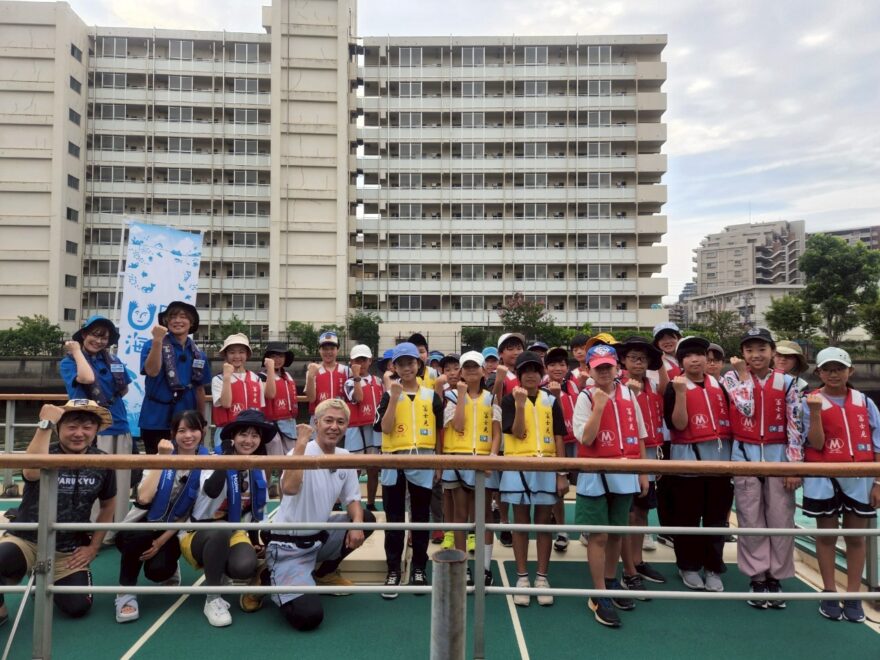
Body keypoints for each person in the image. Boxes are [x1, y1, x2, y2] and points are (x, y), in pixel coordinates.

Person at [0, 400, 116, 623]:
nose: (79, 433)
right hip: (27, 540)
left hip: (68, 549)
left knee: (78, 607)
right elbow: (32, 472)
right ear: (59, 428)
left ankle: (41, 582)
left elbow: (108, 505)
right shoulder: (44, 451)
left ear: (95, 431)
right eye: (71, 427)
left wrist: (93, 547)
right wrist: (45, 424)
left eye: (86, 427)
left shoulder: (103, 461)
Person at [267, 399, 376, 631]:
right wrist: (301, 443)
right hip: (289, 547)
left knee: (366, 518)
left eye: (340, 422)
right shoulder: (297, 452)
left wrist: (356, 523)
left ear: (347, 426)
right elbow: (289, 488)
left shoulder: (345, 456)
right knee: (309, 617)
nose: (334, 427)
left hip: (319, 538)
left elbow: (353, 500)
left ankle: (323, 573)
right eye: (328, 420)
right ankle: (268, 575)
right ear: (316, 423)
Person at [722, 328, 802, 607]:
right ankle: (757, 577)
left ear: (772, 352)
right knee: (750, 518)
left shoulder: (789, 383)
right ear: (743, 353)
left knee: (781, 518)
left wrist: (794, 466)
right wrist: (744, 377)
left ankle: (775, 576)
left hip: (779, 454)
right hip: (744, 454)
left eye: (761, 349)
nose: (755, 355)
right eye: (749, 350)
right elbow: (745, 408)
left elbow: (795, 425)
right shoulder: (731, 377)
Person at [572, 345, 649, 627]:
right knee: (599, 536)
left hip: (625, 472)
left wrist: (643, 472)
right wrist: (600, 406)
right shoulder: (584, 397)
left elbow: (639, 434)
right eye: (598, 367)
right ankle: (598, 594)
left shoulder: (630, 394)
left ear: (617, 367)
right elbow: (586, 438)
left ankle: (611, 580)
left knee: (617, 533)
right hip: (595, 474)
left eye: (608, 366)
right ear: (589, 370)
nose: (604, 371)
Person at [802, 347, 880, 623]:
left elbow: (877, 441)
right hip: (825, 476)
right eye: (827, 369)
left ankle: (853, 595)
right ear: (818, 372)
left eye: (839, 368)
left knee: (857, 538)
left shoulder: (865, 402)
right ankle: (829, 591)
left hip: (860, 476)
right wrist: (814, 413)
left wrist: (878, 482)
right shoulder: (810, 401)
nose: (834, 373)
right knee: (825, 536)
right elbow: (816, 443)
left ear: (850, 371)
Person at [113, 410, 210, 623]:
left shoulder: (208, 463)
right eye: (182, 430)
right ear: (173, 434)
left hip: (171, 532)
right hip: (141, 526)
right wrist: (162, 459)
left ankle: (169, 568)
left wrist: (159, 542)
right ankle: (125, 592)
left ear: (202, 432)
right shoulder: (160, 458)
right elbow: (145, 497)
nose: (188, 436)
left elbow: (189, 514)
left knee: (158, 571)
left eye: (193, 430)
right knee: (135, 538)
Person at [179, 409, 272, 627]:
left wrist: (256, 540)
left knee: (245, 567)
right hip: (198, 533)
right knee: (219, 531)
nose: (249, 441)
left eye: (255, 435)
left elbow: (253, 511)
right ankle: (212, 599)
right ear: (233, 437)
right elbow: (211, 490)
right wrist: (227, 461)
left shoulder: (255, 468)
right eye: (243, 434)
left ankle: (219, 570)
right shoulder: (213, 459)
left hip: (232, 531)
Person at [664, 336, 733, 592]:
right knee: (688, 519)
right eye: (689, 355)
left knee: (716, 520)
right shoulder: (674, 386)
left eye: (700, 354)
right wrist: (681, 394)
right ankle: (688, 565)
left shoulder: (719, 385)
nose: (695, 359)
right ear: (681, 361)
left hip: (720, 465)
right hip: (688, 465)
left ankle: (714, 567)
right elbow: (678, 425)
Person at [374, 342, 444, 598]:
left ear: (419, 364)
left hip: (423, 459)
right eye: (401, 363)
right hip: (394, 460)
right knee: (394, 520)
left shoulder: (430, 395)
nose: (406, 367)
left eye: (410, 362)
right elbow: (386, 427)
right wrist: (393, 397)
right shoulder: (389, 394)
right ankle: (393, 570)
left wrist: (439, 461)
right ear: (394, 366)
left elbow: (439, 431)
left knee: (420, 518)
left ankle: (418, 568)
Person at [499, 351, 568, 607]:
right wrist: (518, 405)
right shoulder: (508, 400)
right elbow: (516, 432)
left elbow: (559, 435)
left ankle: (542, 577)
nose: (530, 374)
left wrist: (561, 473)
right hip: (518, 465)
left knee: (543, 523)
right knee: (520, 523)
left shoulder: (551, 399)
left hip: (546, 465)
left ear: (541, 374)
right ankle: (522, 577)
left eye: (534, 370)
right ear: (518, 374)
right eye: (525, 370)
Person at [60, 316, 132, 531]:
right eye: (95, 334)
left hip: (119, 424)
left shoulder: (114, 361)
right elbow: (86, 378)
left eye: (105, 337)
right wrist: (76, 352)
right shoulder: (69, 362)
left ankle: (117, 529)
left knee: (120, 482)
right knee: (90, 481)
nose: (99, 341)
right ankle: (89, 529)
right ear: (84, 335)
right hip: (90, 429)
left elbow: (124, 388)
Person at [614, 337, 668, 590]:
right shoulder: (615, 386)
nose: (638, 362)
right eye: (633, 357)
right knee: (628, 512)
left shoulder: (654, 386)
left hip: (649, 453)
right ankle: (627, 568)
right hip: (625, 456)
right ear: (623, 360)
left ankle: (637, 559)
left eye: (643, 358)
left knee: (643, 511)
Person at [440, 351, 499, 586]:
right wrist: (462, 395)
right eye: (467, 367)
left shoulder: (491, 398)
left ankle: (484, 567)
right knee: (460, 516)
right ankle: (462, 565)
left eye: (476, 367)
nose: (471, 371)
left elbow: (496, 433)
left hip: (482, 463)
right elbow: (459, 424)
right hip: (457, 460)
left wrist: (492, 459)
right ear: (461, 372)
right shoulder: (452, 396)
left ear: (484, 371)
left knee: (483, 516)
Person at [140, 301, 211, 454]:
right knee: (156, 467)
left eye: (183, 317)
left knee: (186, 466)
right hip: (155, 419)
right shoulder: (151, 345)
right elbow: (152, 371)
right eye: (172, 317)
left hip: (187, 422)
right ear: (166, 322)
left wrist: (202, 422)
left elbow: (199, 389)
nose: (177, 320)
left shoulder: (199, 355)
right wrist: (158, 341)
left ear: (191, 323)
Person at [490, 333, 525, 547]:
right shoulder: (496, 375)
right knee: (503, 483)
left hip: (527, 436)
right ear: (501, 353)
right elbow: (491, 401)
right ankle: (504, 522)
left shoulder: (529, 372)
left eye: (518, 347)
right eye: (510, 348)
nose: (515, 352)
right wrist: (500, 380)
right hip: (504, 434)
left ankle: (521, 524)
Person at [543, 347, 580, 552]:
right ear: (546, 367)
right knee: (558, 489)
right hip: (555, 443)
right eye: (553, 364)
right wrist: (555, 397)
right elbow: (553, 420)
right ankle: (561, 530)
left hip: (575, 442)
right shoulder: (541, 388)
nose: (558, 368)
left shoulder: (575, 386)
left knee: (582, 486)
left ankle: (585, 529)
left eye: (562, 364)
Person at [342, 344, 383, 510]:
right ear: (351, 362)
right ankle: (354, 504)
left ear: (370, 360)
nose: (361, 363)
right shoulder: (349, 382)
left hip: (373, 428)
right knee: (355, 470)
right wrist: (357, 376)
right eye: (357, 360)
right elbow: (358, 398)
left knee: (373, 469)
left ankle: (371, 503)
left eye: (364, 360)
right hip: (356, 429)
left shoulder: (378, 381)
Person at [212, 333, 265, 451]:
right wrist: (227, 377)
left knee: (252, 466)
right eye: (232, 352)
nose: (237, 356)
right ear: (225, 355)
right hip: (226, 431)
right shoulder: (218, 379)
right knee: (225, 466)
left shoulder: (256, 378)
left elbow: (260, 408)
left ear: (247, 355)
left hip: (251, 433)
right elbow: (226, 403)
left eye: (241, 352)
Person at [434, 353, 462, 548]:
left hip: (466, 449)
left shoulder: (472, 392)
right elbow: (435, 422)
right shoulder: (440, 394)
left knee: (466, 496)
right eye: (447, 370)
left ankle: (468, 533)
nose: (452, 373)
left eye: (456, 368)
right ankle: (450, 532)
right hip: (446, 448)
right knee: (448, 495)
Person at [305, 331, 350, 424]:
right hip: (319, 418)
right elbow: (311, 398)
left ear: (337, 350)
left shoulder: (347, 371)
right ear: (319, 350)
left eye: (332, 348)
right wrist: (310, 377)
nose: (328, 352)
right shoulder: (313, 370)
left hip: (341, 418)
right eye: (325, 349)